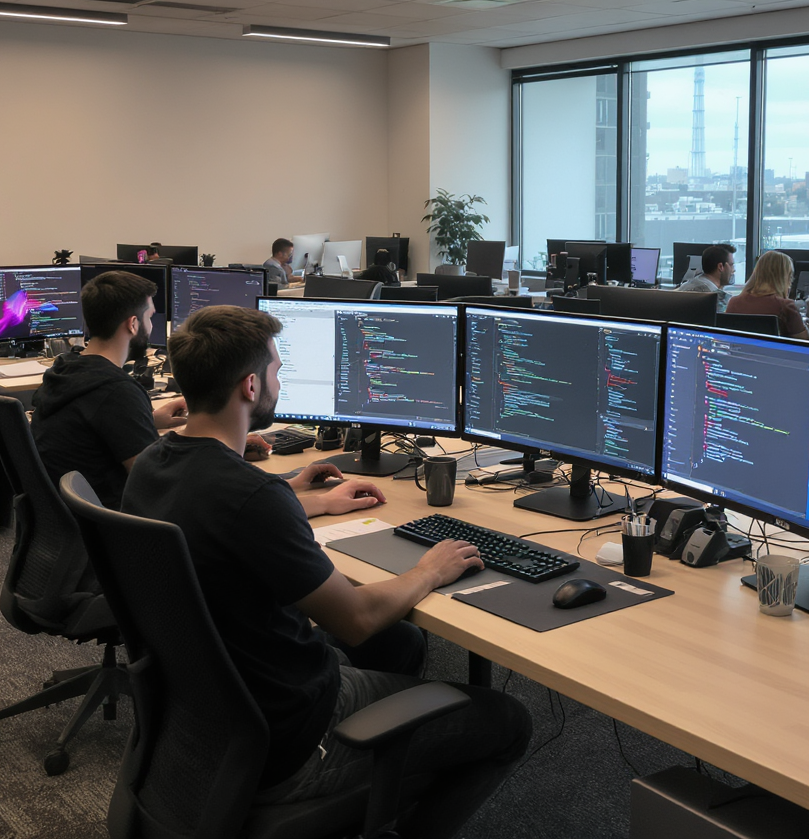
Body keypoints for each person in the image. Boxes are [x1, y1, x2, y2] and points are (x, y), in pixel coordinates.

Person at [122, 306, 531, 836]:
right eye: (275, 371)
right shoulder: (252, 497)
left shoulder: (153, 464)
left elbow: (224, 511)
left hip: (207, 718)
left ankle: (384, 779)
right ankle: (367, 781)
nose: (278, 380)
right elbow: (356, 619)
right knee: (508, 721)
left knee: (401, 643)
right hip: (291, 737)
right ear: (250, 386)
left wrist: (294, 496)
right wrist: (430, 569)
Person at [31, 271, 189, 509]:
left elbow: (91, 426)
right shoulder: (116, 391)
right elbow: (154, 482)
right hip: (112, 527)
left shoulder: (65, 370)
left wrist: (149, 420)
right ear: (133, 324)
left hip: (71, 519)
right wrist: (220, 446)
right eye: (150, 317)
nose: (151, 325)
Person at [725, 250, 809, 339]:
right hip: (776, 352)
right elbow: (806, 343)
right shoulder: (786, 306)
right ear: (785, 278)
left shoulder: (734, 302)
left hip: (741, 352)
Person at [676, 243, 736, 312]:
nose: (733, 270)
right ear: (720, 267)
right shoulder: (712, 297)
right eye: (731, 265)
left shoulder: (688, 285)